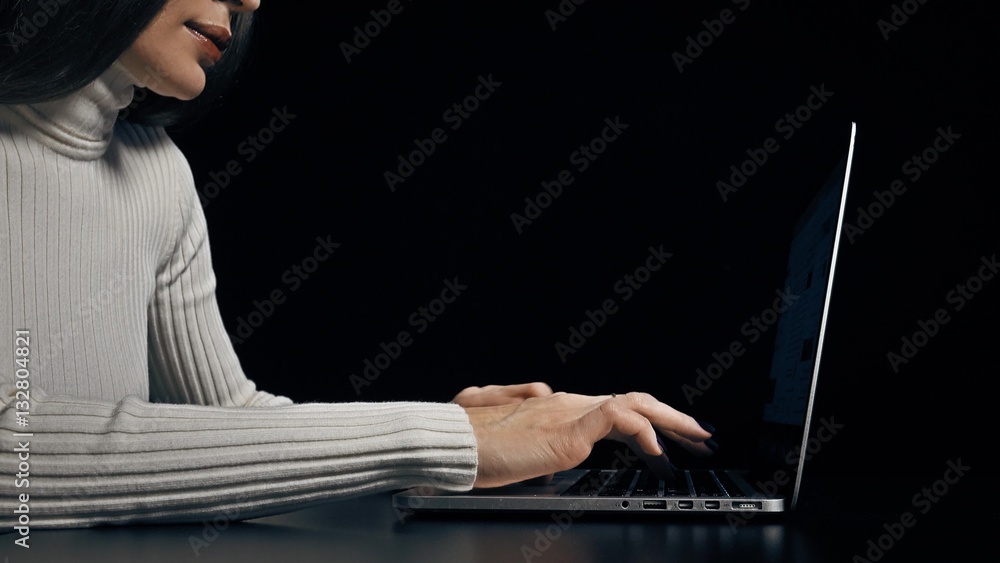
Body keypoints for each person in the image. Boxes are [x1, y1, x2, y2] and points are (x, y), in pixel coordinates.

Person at [0, 0, 715, 529]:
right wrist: (439, 441)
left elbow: (225, 423)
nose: (249, 1)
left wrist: (457, 439)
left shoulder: (157, 172)